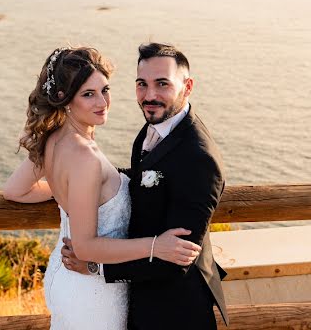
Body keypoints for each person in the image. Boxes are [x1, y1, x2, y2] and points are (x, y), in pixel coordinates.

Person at [3, 46, 202, 330]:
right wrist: (157, 246)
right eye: (88, 94)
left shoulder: (53, 139)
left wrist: (69, 192)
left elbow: (15, 190)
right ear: (66, 100)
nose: (102, 102)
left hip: (65, 278)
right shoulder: (84, 156)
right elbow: (85, 247)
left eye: (105, 90)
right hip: (91, 294)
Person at [61, 42, 228, 330]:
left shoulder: (200, 159)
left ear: (187, 87)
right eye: (142, 84)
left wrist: (95, 267)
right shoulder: (155, 126)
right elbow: (144, 177)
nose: (149, 96)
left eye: (162, 84)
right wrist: (80, 182)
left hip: (176, 310)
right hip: (142, 299)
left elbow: (178, 259)